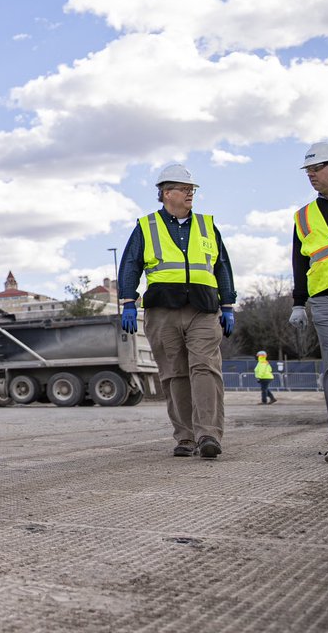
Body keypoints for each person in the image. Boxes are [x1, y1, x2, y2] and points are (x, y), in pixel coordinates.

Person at [118, 163, 237, 460]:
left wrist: (228, 304)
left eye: (192, 190)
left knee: (206, 368)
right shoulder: (146, 226)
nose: (190, 194)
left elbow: (222, 265)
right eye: (184, 189)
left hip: (203, 308)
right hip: (163, 310)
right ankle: (185, 437)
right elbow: (131, 264)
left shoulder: (207, 225)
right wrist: (128, 302)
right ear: (165, 193)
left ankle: (208, 434)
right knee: (174, 374)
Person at [287, 141, 328, 464]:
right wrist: (298, 303)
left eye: (316, 169)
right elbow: (299, 263)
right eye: (308, 171)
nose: (311, 176)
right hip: (325, 300)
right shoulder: (304, 216)